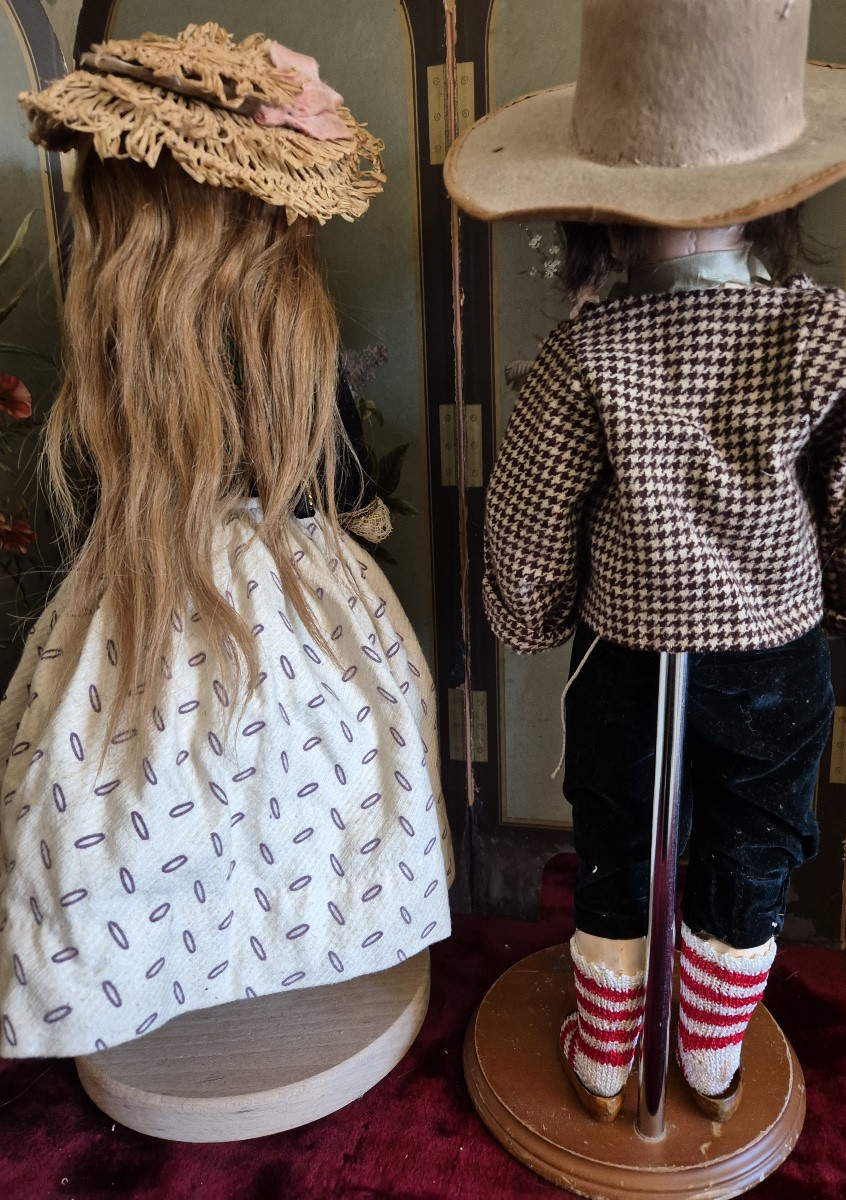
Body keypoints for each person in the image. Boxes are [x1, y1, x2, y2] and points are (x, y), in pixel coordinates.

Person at [444, 0, 846, 1121]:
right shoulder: (836, 332)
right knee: (757, 835)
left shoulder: (588, 346)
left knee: (617, 834)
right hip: (775, 652)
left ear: (597, 205)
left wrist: (529, 612)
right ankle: (708, 1057)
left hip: (628, 654)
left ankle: (606, 1060)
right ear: (773, 196)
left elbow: (529, 510)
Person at [0, 22, 453, 1059]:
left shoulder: (117, 338)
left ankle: (151, 967)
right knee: (319, 782)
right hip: (290, 576)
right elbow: (330, 475)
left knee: (133, 785)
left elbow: (90, 475)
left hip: (146, 581)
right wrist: (360, 514)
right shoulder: (293, 329)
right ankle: (300, 943)